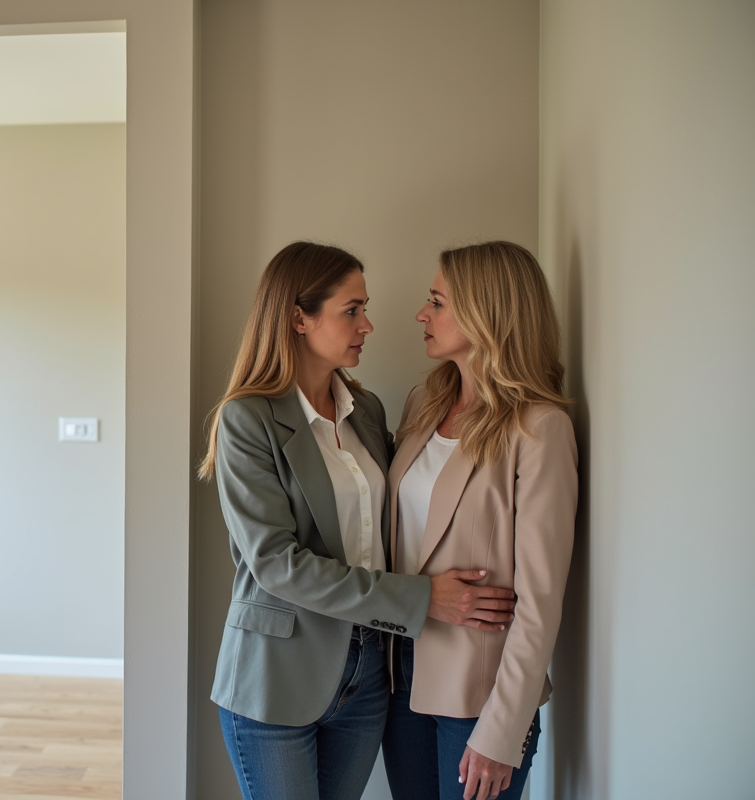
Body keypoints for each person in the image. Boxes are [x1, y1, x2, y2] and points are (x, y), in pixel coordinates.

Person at [199, 241, 518, 800]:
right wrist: (422, 599)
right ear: (299, 316)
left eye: (363, 308)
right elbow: (277, 565)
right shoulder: (248, 418)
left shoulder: (366, 411)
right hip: (276, 674)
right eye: (352, 310)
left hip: (370, 675)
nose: (368, 325)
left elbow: (413, 510)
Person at [381, 241, 578, 800]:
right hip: (402, 680)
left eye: (437, 302)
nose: (423, 314)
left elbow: (541, 601)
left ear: (487, 314)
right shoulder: (423, 402)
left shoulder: (540, 429)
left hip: (481, 698)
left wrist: (503, 729)